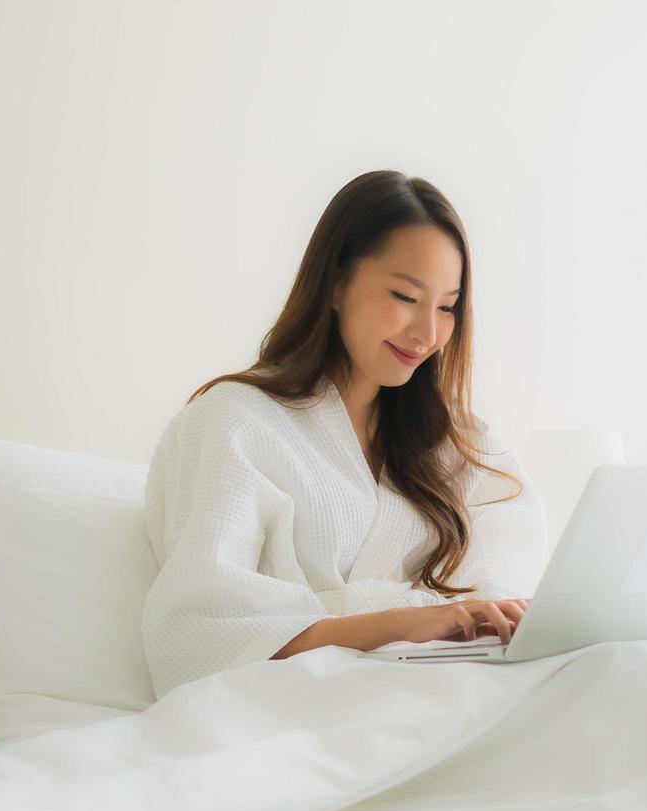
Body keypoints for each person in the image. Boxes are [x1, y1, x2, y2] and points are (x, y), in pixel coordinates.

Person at [140, 171, 546, 699]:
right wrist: (407, 623)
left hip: (449, 693)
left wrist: (471, 622)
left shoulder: (460, 445)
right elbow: (197, 635)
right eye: (405, 295)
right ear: (335, 282)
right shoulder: (234, 421)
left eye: (447, 307)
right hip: (298, 702)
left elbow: (508, 593)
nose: (428, 333)